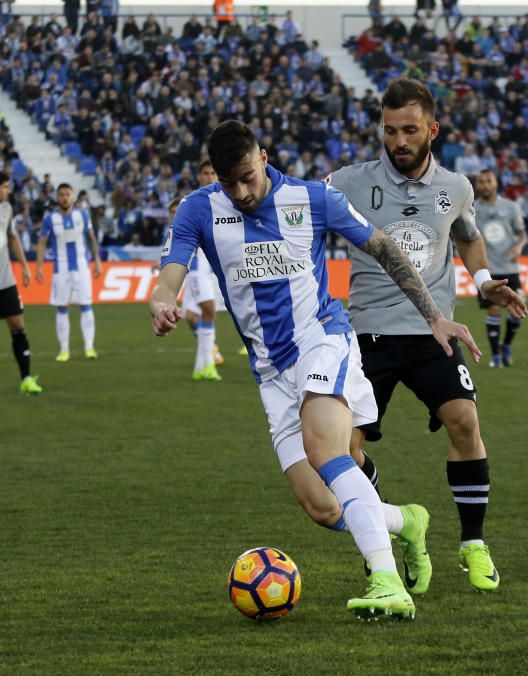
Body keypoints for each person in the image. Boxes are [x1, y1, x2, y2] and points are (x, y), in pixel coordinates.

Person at [150, 120, 482, 618]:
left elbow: (385, 248)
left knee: (324, 449)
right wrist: (161, 302)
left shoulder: (313, 199)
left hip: (322, 340)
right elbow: (170, 274)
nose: (239, 192)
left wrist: (434, 316)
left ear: (263, 157)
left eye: (246, 176)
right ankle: (406, 522)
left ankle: (388, 582)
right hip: (270, 370)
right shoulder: (198, 209)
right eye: (227, 181)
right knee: (323, 507)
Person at [327, 77, 527, 592]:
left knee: (464, 420)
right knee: (342, 453)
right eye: (390, 130)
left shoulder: (456, 188)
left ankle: (473, 546)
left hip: (432, 333)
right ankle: (397, 525)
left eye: (409, 130)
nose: (398, 141)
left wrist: (485, 283)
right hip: (366, 335)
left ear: (432, 130)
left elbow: (469, 239)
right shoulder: (346, 183)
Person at [36, 183, 102, 361]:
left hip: (82, 267)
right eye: (61, 194)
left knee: (86, 305)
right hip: (60, 270)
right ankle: (64, 349)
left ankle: (89, 347)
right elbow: (42, 243)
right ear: (57, 198)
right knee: (62, 307)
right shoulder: (50, 219)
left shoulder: (82, 215)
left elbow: (91, 238)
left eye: (67, 194)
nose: (64, 197)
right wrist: (39, 266)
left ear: (72, 196)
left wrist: (97, 261)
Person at [474, 170, 527, 368]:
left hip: (510, 267)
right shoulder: (472, 209)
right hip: (487, 268)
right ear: (477, 185)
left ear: (496, 183)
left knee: (518, 310)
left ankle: (506, 345)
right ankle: (496, 355)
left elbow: (521, 234)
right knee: (494, 309)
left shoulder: (511, 207)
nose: (485, 185)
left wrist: (518, 247)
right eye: (481, 181)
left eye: (489, 181)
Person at [178, 160, 224, 380]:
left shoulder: (223, 201)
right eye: (206, 173)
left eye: (213, 173)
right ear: (199, 177)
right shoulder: (193, 203)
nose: (210, 177)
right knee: (210, 310)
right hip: (196, 267)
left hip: (210, 268)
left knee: (201, 313)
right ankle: (209, 362)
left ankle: (201, 367)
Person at [0, 173, 42, 395]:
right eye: (4, 187)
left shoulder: (6, 208)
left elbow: (12, 238)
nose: (7, 191)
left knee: (17, 325)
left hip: (5, 281)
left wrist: (25, 266)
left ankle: (26, 378)